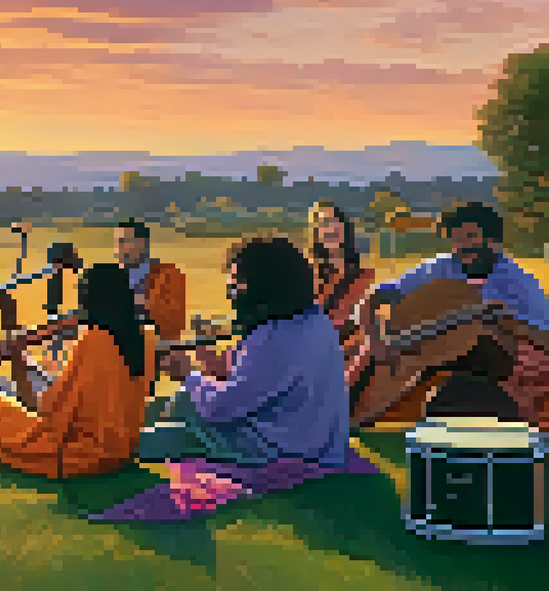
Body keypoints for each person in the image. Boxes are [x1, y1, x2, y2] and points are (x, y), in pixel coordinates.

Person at [140, 235, 350, 468]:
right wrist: (204, 352)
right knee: (179, 404)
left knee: (174, 414)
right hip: (316, 442)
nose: (231, 290)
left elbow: (221, 407)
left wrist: (187, 375)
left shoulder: (273, 335)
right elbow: (249, 380)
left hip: (281, 449)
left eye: (237, 282)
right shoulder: (314, 319)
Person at [347, 201, 549, 422]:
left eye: (471, 237)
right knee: (369, 352)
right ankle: (347, 413)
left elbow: (544, 334)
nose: (463, 246)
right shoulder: (439, 267)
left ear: (493, 240)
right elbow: (372, 300)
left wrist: (511, 324)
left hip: (488, 361)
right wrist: (376, 341)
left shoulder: (519, 282)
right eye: (457, 239)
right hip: (428, 349)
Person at [0, 264, 154, 478]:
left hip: (83, 455)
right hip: (124, 451)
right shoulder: (146, 337)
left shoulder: (93, 340)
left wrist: (16, 353)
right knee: (2, 405)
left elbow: (49, 412)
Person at [308, 201, 376, 341]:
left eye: (335, 221)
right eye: (324, 223)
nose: (331, 228)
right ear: (316, 233)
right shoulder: (309, 277)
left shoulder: (364, 278)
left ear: (345, 227)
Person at [115, 219, 187, 343]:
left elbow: (173, 322)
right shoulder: (113, 278)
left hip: (160, 350)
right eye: (119, 242)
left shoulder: (168, 275)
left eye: (124, 242)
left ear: (141, 243)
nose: (119, 249)